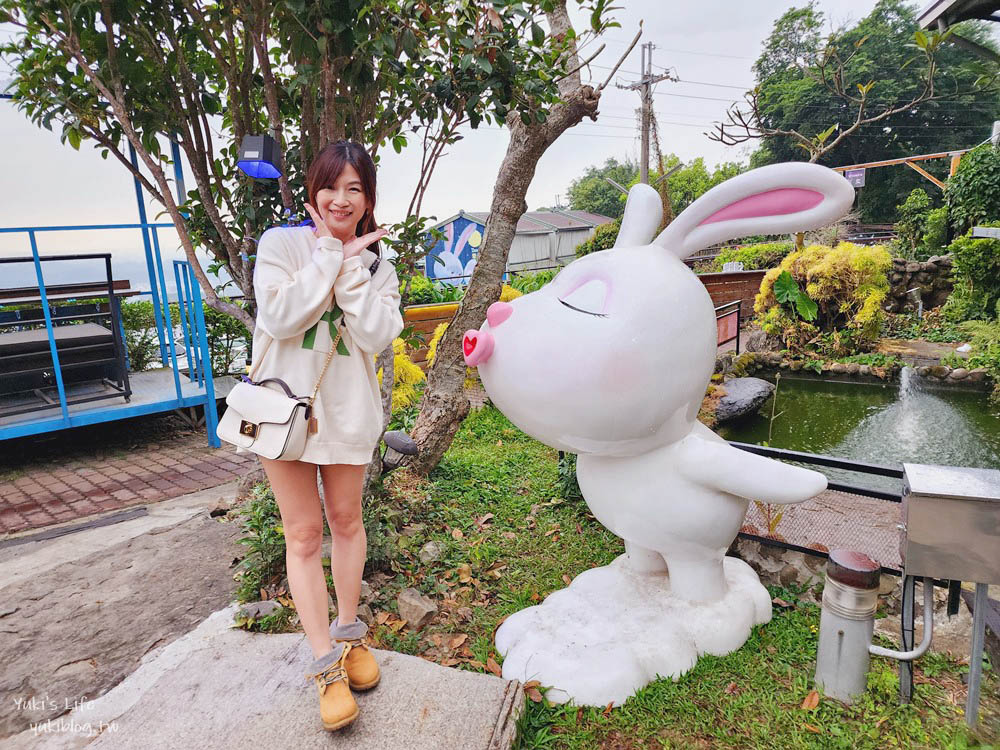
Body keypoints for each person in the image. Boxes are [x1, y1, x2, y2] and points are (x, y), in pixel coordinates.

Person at [249, 139, 404, 731]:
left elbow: (374, 337)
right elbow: (281, 317)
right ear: (314, 189)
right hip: (284, 412)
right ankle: (325, 667)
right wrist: (328, 258)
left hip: (347, 412)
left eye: (355, 189)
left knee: (346, 522)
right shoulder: (281, 244)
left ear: (367, 200)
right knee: (304, 533)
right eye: (331, 186)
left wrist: (355, 269)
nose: (341, 199)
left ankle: (349, 633)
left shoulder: (380, 263)